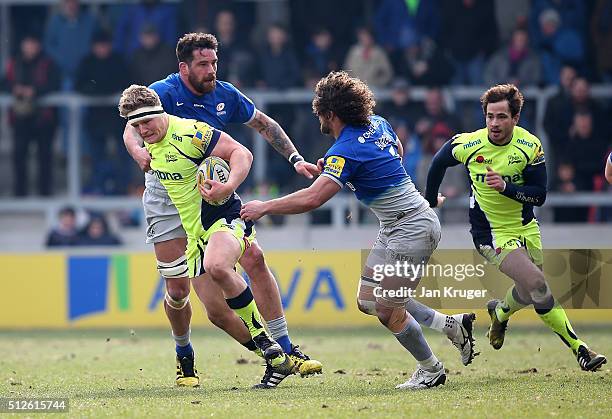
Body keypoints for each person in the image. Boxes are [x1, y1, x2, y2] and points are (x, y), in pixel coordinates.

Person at [241, 71, 478, 390]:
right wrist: (344, 169)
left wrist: (264, 206)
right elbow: (396, 151)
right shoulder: (377, 123)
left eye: (320, 115)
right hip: (397, 224)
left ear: (331, 114)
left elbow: (313, 197)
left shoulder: (346, 150)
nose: (319, 122)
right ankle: (451, 325)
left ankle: (431, 369)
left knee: (386, 308)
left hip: (411, 227)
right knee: (368, 301)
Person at [122, 33, 322, 388]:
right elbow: (132, 127)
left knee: (254, 257)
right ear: (184, 68)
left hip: (210, 195)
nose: (212, 70)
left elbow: (263, 125)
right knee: (189, 297)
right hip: (166, 197)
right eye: (203, 64)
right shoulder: (163, 92)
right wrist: (139, 153)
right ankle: (185, 355)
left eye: (214, 62)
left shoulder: (224, 94)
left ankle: (285, 351)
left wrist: (295, 158)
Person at [424, 83, 607, 371]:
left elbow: (540, 195)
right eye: (489, 116)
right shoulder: (469, 144)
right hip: (490, 234)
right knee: (538, 284)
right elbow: (438, 163)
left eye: (501, 117)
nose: (494, 124)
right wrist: (430, 198)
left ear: (516, 118)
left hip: (526, 226)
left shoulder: (529, 146)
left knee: (527, 289)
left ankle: (500, 312)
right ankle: (580, 349)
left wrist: (507, 187)